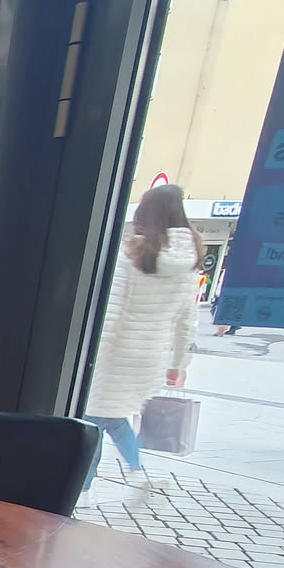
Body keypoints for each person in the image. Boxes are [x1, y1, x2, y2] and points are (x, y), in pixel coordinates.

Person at [83, 184, 202, 489]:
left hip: (117, 353)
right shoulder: (190, 260)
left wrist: (91, 358)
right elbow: (187, 321)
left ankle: (83, 487)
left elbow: (111, 313)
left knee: (92, 421)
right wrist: (179, 364)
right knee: (112, 417)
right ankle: (136, 473)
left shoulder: (131, 255)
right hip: (151, 357)